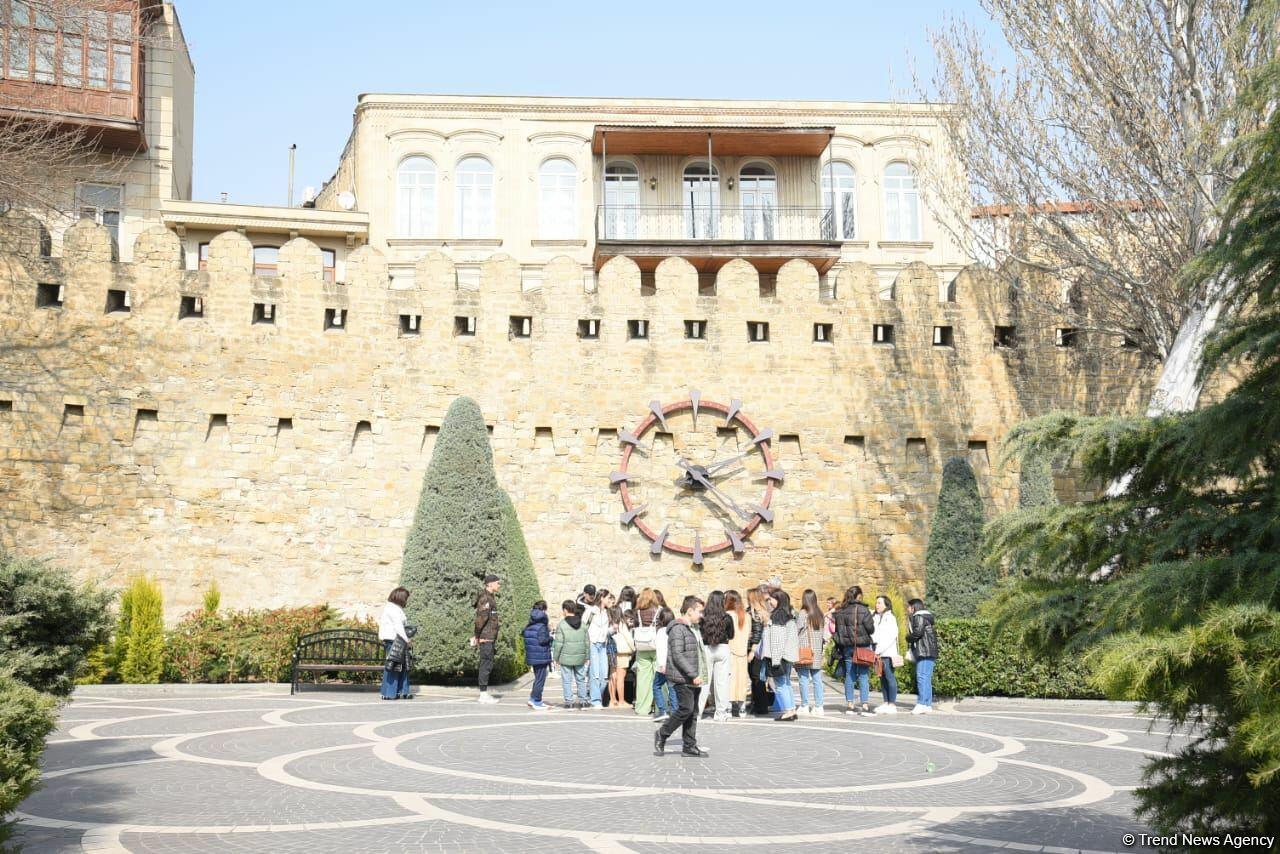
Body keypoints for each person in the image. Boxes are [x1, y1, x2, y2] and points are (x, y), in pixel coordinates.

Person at [654, 596, 707, 758]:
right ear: (690, 611)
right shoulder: (678, 629)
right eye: (699, 612)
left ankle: (689, 746)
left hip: (693, 677)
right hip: (682, 677)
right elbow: (678, 655)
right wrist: (693, 674)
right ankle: (662, 733)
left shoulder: (692, 628)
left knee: (692, 712)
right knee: (686, 709)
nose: (701, 615)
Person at [834, 585, 876, 716]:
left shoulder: (841, 611)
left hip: (847, 647)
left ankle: (850, 705)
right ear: (859, 596)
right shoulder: (863, 609)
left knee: (849, 675)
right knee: (863, 675)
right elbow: (871, 629)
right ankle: (864, 705)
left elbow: (838, 632)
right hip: (862, 646)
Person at [761, 589, 800, 721]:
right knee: (786, 683)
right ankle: (792, 709)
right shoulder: (788, 614)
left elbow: (777, 641)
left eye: (771, 599)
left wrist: (775, 661)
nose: (769, 602)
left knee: (781, 684)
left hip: (779, 656)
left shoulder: (778, 616)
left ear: (778, 600)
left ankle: (788, 711)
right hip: (787, 655)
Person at [696, 590, 734, 722]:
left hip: (706, 649)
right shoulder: (727, 617)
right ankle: (721, 713)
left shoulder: (702, 617)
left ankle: (697, 713)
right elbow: (731, 635)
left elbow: (699, 633)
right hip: (722, 648)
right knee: (722, 683)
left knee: (703, 682)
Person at [552, 600, 589, 709]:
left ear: (565, 610)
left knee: (567, 681)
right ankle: (583, 702)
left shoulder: (562, 625)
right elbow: (587, 642)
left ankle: (569, 703)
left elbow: (558, 643)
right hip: (580, 657)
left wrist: (556, 657)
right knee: (581, 679)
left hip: (566, 657)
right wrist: (587, 656)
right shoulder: (583, 624)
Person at [378, 586, 413, 701]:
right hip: (395, 640)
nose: (406, 600)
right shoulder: (393, 609)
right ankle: (390, 693)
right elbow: (398, 627)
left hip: (396, 640)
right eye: (406, 598)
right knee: (393, 666)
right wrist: (407, 640)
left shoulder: (393, 608)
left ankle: (399, 691)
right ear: (401, 597)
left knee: (400, 666)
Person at [795, 589, 826, 716]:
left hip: (805, 650)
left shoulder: (803, 613)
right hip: (817, 651)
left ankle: (804, 705)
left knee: (803, 678)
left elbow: (797, 630)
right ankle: (819, 706)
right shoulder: (820, 613)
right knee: (817, 679)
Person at [632, 588, 662, 716]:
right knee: (659, 678)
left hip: (642, 647)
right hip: (657, 647)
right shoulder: (659, 611)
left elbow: (634, 626)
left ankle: (642, 708)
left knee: (643, 680)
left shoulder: (637, 612)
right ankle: (660, 706)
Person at [472, 574, 502, 704]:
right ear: (490, 584)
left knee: (487, 664)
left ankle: (484, 693)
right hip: (486, 637)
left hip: (489, 637)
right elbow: (481, 619)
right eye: (497, 583)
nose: (499, 585)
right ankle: (483, 695)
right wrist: (477, 636)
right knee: (486, 664)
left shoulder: (490, 597)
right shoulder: (485, 598)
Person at [906, 598, 939, 715]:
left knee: (921, 677)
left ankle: (921, 704)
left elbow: (917, 633)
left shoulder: (919, 616)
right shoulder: (927, 617)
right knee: (926, 678)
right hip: (930, 651)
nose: (907, 609)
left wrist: (908, 638)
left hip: (924, 651)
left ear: (914, 607)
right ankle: (927, 704)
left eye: (909, 607)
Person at [745, 588, 773, 716]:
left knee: (756, 677)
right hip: (761, 650)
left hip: (755, 650)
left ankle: (761, 706)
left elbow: (757, 633)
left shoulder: (755, 613)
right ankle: (758, 703)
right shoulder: (761, 611)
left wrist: (752, 651)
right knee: (757, 677)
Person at [872, 595, 901, 714]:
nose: (877, 605)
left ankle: (892, 704)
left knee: (889, 677)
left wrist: (878, 650)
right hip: (878, 654)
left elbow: (891, 636)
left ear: (886, 605)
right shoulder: (877, 617)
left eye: (879, 603)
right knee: (882, 679)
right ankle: (885, 702)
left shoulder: (890, 618)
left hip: (887, 653)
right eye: (876, 603)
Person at [586, 588, 614, 709]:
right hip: (593, 644)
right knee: (595, 673)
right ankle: (595, 700)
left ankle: (596, 697)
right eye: (608, 597)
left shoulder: (607, 613)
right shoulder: (591, 612)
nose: (610, 600)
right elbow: (584, 627)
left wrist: (612, 629)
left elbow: (606, 631)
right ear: (602, 598)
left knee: (604, 674)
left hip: (603, 645)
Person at [522, 600, 553, 710]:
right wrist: (551, 637)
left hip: (533, 656)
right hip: (541, 656)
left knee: (538, 678)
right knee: (540, 679)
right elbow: (543, 640)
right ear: (543, 610)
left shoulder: (529, 624)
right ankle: (536, 700)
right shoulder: (542, 626)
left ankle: (533, 699)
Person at [724, 589, 750, 717]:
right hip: (743, 651)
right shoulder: (747, 616)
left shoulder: (727, 615)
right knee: (742, 680)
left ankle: (728, 707)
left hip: (730, 650)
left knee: (729, 679)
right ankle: (742, 708)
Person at [652, 607, 678, 721]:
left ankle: (662, 710)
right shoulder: (675, 630)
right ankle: (674, 711)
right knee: (672, 687)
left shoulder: (661, 632)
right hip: (674, 664)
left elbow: (661, 649)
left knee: (656, 686)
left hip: (664, 664)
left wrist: (662, 664)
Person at [608, 606, 634, 709]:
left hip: (611, 652)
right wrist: (633, 648)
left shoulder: (609, 624)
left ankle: (612, 700)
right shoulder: (621, 624)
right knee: (621, 677)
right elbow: (629, 639)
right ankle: (621, 701)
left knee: (612, 676)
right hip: (622, 653)